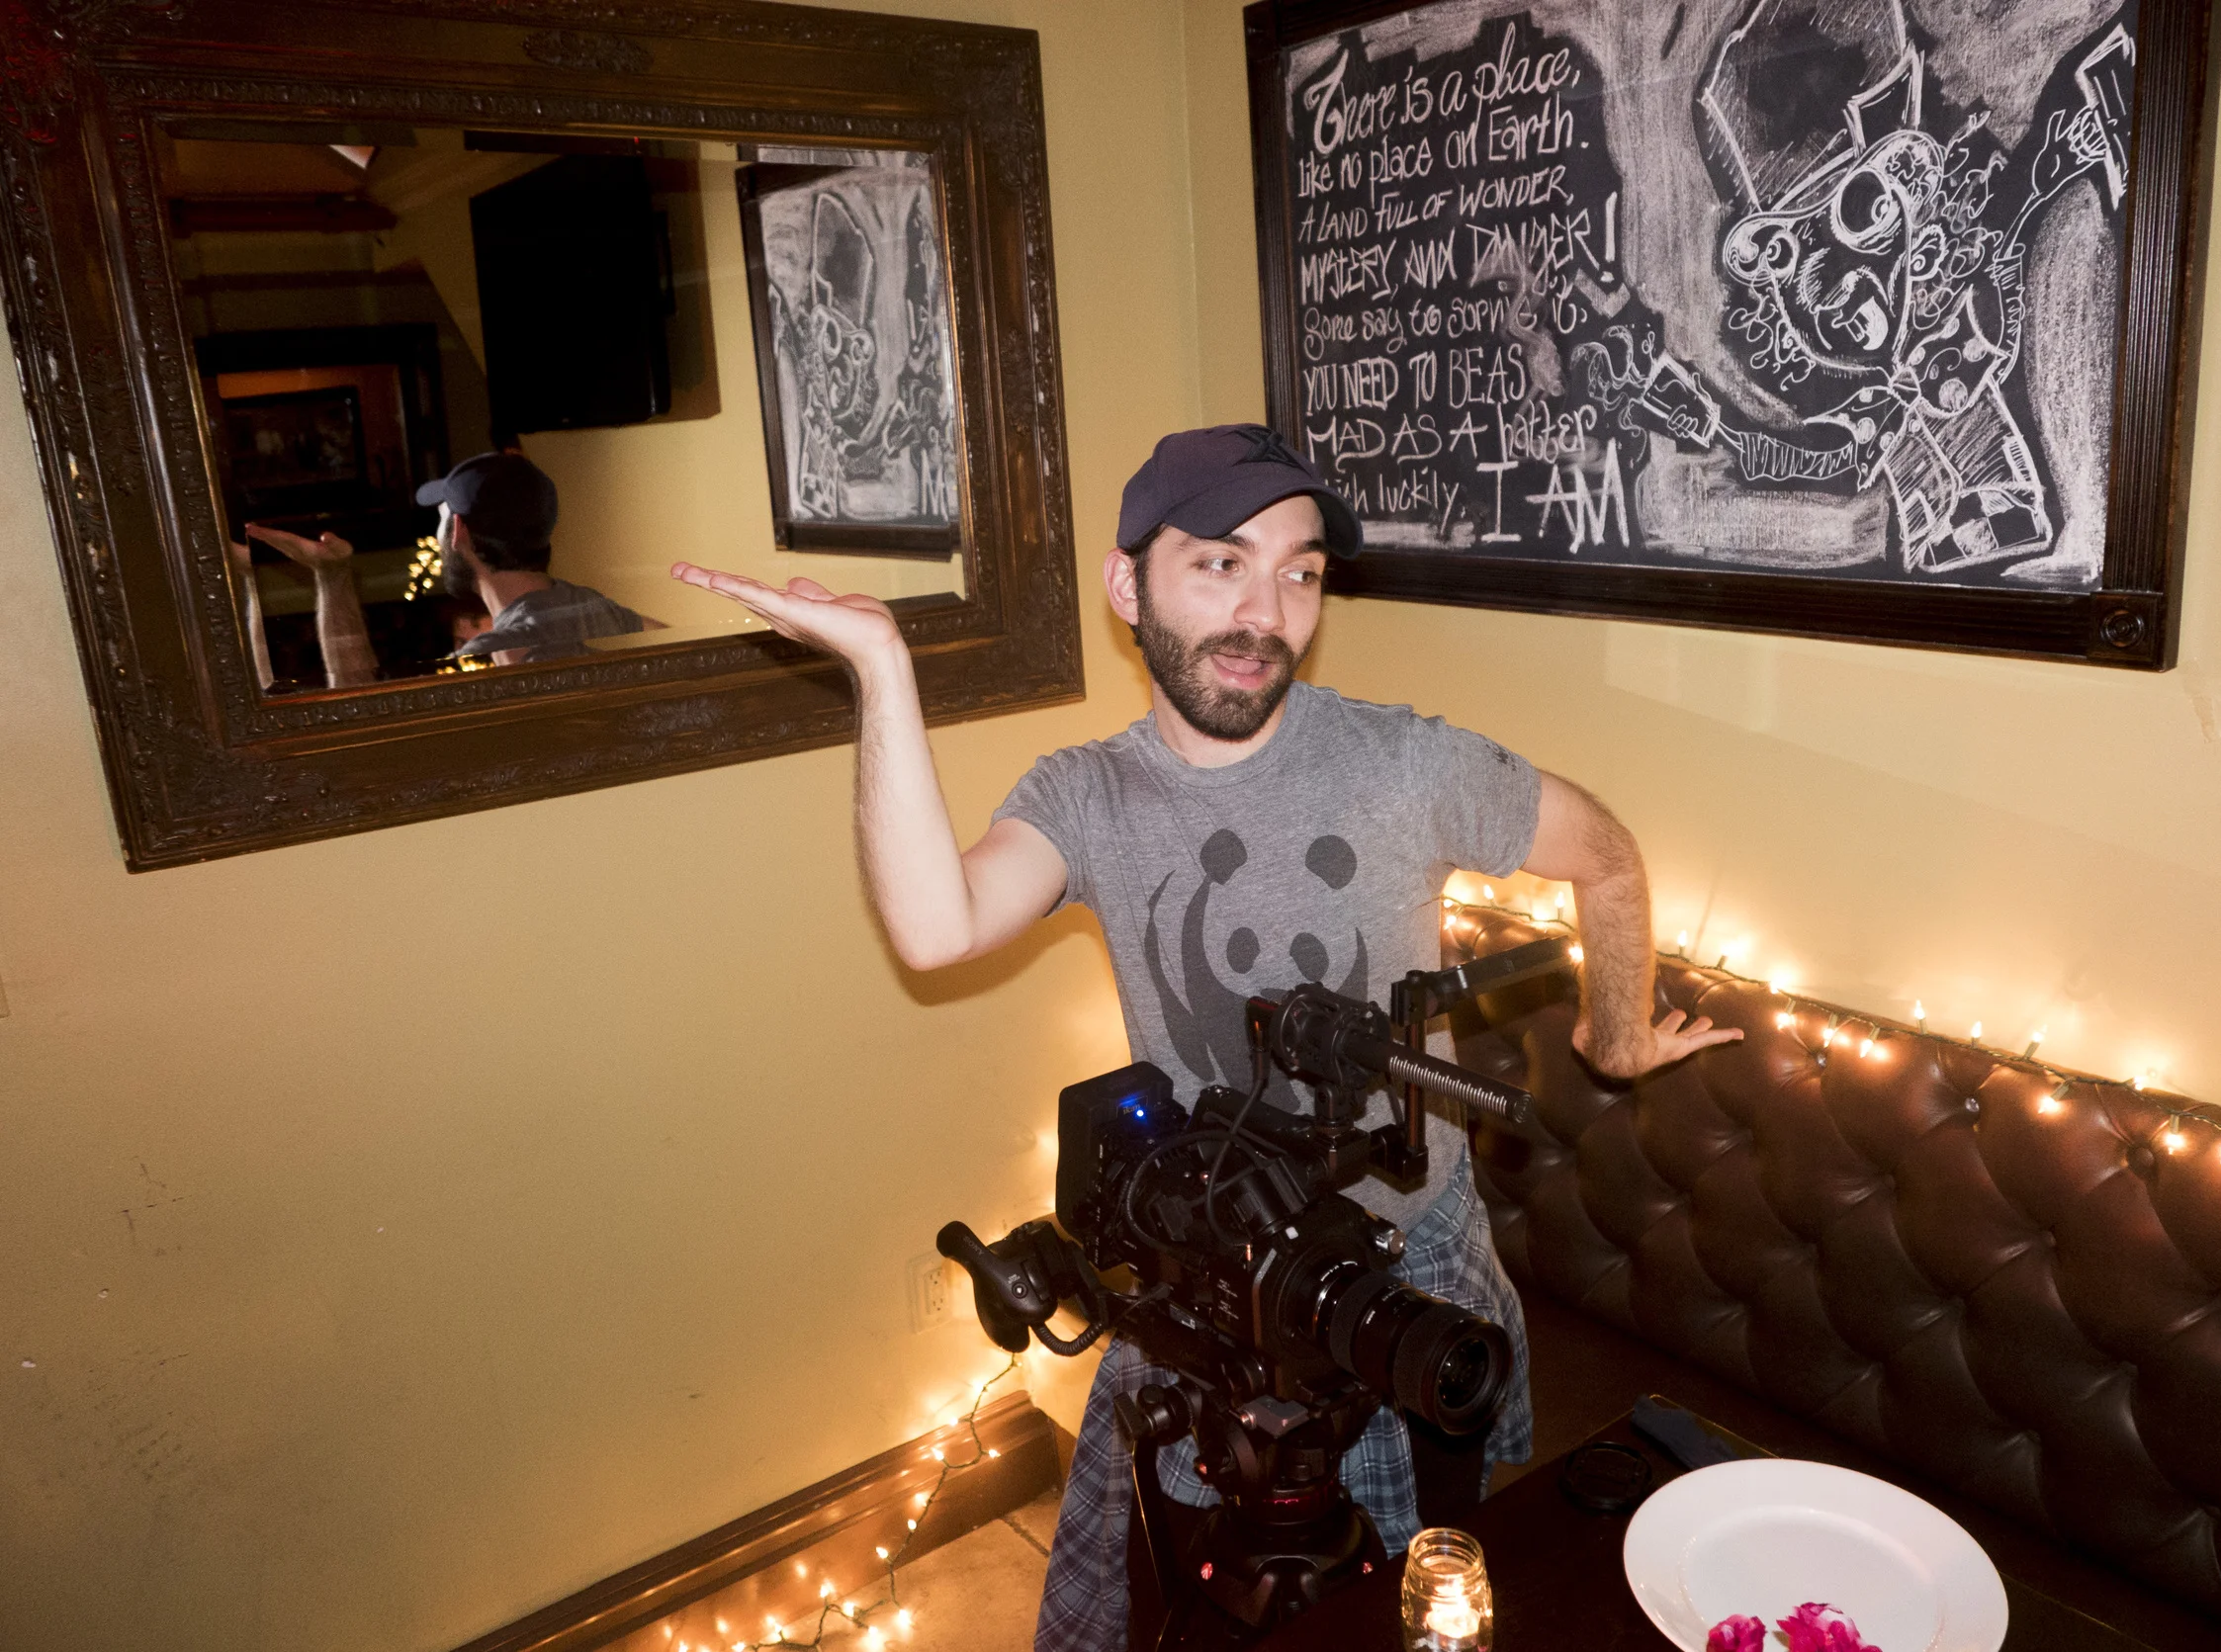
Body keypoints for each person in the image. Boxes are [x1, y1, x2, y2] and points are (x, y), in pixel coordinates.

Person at [668, 424, 1739, 1652]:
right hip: (1210, 1294)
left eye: (1299, 573)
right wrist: (880, 669)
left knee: (1427, 1608)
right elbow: (933, 925)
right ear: (1130, 587)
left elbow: (1602, 849)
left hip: (1411, 1279)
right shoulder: (1086, 794)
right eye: (1219, 565)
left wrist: (1614, 1037)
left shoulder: (1401, 760)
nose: (1266, 614)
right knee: (1168, 1614)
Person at [233, 451, 661, 686]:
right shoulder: (606, 612)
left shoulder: (506, 651)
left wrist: (332, 579)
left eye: (438, 518)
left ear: (459, 531)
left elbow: (361, 723)